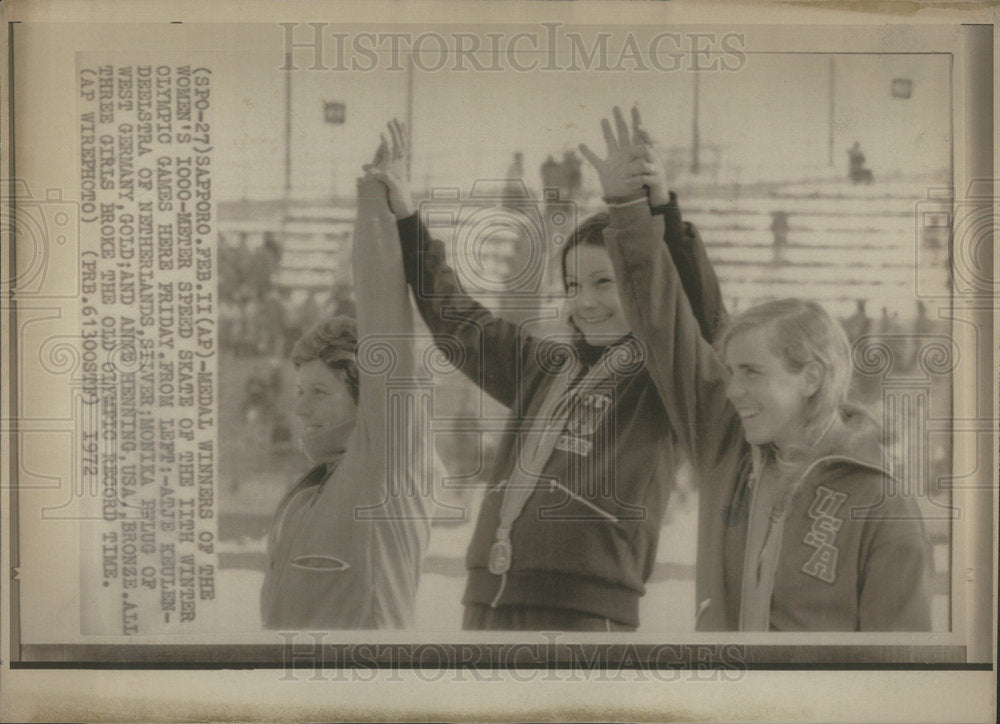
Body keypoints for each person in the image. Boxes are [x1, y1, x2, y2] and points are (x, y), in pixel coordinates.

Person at [370, 113, 726, 631]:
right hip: (488, 602)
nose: (588, 303)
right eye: (574, 286)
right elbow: (458, 320)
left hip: (584, 611)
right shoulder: (546, 364)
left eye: (607, 283)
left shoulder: (662, 378)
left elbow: (693, 313)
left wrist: (659, 210)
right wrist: (406, 218)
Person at [590, 109, 933, 631]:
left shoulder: (881, 504)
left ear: (811, 378)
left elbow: (899, 673)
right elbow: (665, 325)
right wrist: (632, 208)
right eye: (730, 371)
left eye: (751, 372)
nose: (732, 391)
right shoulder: (729, 445)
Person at [259, 150, 435, 629]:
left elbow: (388, 330)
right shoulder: (319, 483)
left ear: (366, 394)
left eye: (318, 392)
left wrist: (377, 205)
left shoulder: (385, 461)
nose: (299, 409)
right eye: (300, 391)